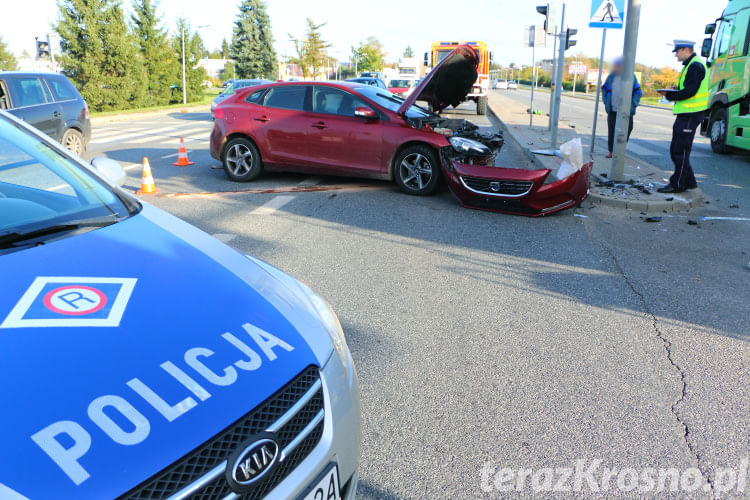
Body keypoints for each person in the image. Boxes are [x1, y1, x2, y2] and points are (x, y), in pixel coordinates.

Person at [657, 40, 709, 193]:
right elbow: (688, 89)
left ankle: (677, 184)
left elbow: (690, 92)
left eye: (677, 52)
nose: (675, 55)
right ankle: (690, 182)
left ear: (686, 50)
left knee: (680, 150)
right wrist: (675, 90)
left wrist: (670, 94)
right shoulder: (692, 65)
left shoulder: (695, 66)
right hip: (687, 114)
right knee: (678, 149)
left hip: (691, 114)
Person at [601, 58, 642, 158]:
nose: (617, 68)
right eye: (616, 66)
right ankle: (611, 151)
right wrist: (606, 101)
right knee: (612, 130)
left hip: (626, 111)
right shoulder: (611, 77)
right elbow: (604, 89)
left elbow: (638, 93)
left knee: (627, 129)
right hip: (613, 110)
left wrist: (633, 105)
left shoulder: (631, 77)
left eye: (619, 66)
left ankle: (620, 149)